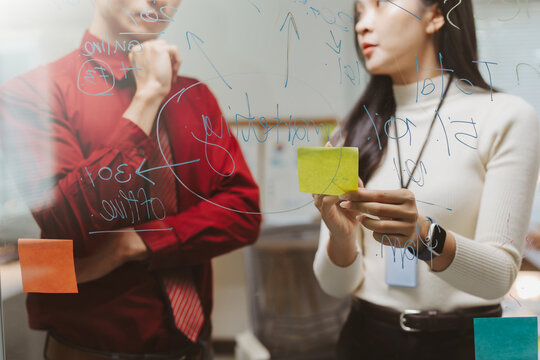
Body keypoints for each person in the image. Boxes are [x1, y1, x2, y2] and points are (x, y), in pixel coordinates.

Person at [0, 0, 261, 359]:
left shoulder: (195, 96)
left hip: (194, 347)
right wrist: (147, 98)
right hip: (88, 350)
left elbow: (243, 212)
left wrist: (139, 242)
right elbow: (67, 220)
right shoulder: (31, 93)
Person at [312, 0, 539, 359]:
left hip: (472, 341)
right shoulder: (350, 130)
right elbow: (335, 285)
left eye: (378, 5)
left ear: (436, 15)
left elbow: (500, 276)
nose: (362, 25)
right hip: (367, 337)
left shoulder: (508, 117)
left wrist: (423, 237)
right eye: (358, 13)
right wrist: (341, 237)